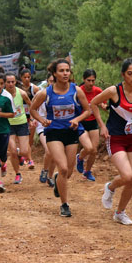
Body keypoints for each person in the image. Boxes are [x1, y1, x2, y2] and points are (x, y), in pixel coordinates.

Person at [90, 58, 132, 225]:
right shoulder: (114, 91)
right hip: (116, 138)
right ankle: (110, 187)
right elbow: (94, 103)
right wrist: (102, 126)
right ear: (123, 74)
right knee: (127, 175)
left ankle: (120, 213)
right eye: (130, 73)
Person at [30, 59, 92, 217]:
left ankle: (58, 180)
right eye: (62, 71)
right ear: (55, 74)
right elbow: (33, 109)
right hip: (54, 133)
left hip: (71, 132)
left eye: (67, 70)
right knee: (63, 168)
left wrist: (77, 120)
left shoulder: (76, 90)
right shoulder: (46, 93)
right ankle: (64, 204)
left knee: (68, 172)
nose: (65, 73)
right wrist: (42, 120)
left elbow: (87, 110)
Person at [76, 69, 106, 182]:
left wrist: (103, 105)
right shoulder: (79, 91)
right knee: (88, 148)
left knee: (94, 150)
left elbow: (103, 102)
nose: (91, 83)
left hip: (93, 121)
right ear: (84, 80)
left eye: (93, 80)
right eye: (88, 80)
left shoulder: (98, 91)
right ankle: (80, 158)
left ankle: (87, 172)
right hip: (81, 122)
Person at [5, 72, 33, 185]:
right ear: (5, 83)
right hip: (8, 124)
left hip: (21, 123)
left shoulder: (21, 93)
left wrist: (30, 119)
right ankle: (17, 174)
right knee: (12, 151)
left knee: (25, 151)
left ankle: (19, 154)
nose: (11, 84)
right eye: (8, 82)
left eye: (13, 82)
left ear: (16, 82)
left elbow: (30, 104)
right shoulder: (2, 94)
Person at [35, 74, 56, 186]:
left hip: (57, 126)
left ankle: (50, 176)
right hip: (42, 125)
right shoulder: (41, 94)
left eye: (54, 81)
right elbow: (32, 107)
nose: (52, 83)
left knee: (55, 153)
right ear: (47, 81)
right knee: (49, 150)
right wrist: (35, 119)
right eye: (50, 81)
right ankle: (45, 170)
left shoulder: (62, 94)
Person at [19, 68, 39, 169]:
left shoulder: (34, 89)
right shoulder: (18, 88)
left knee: (30, 139)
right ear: (21, 78)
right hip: (21, 116)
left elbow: (39, 101)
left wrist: (35, 116)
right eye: (24, 77)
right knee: (25, 138)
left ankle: (26, 156)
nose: (27, 79)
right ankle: (29, 158)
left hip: (31, 115)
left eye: (28, 77)